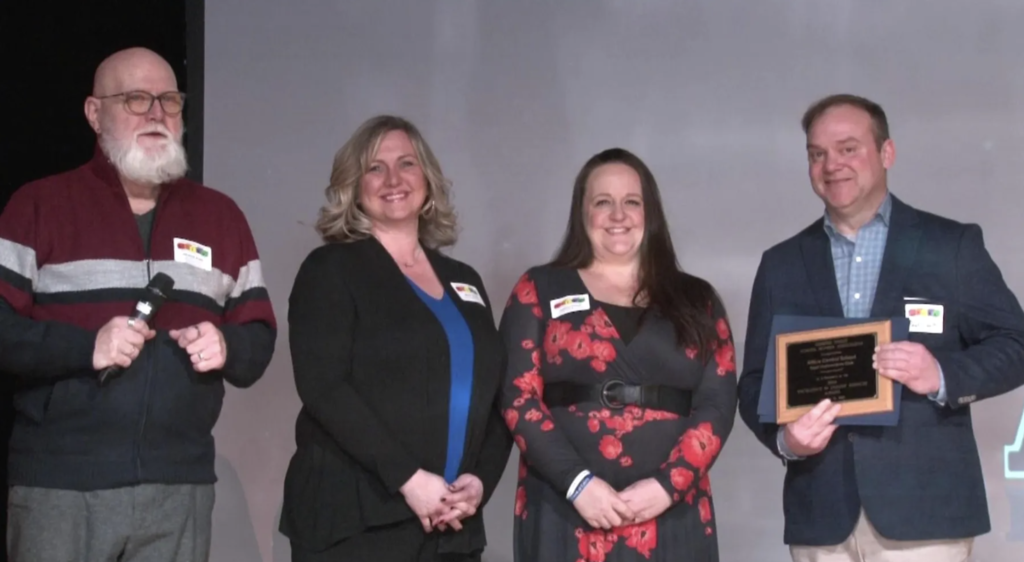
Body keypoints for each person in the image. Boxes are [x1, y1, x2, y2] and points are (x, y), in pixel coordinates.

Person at [0, 47, 277, 561]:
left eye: (169, 100)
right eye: (135, 99)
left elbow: (258, 339)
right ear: (94, 113)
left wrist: (227, 345)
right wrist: (87, 348)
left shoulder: (220, 216)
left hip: (179, 486)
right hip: (61, 485)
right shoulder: (38, 206)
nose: (156, 113)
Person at [737, 93, 1024, 562]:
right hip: (821, 518)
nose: (832, 165)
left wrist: (942, 375)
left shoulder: (951, 246)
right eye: (817, 154)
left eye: (848, 149)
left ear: (886, 152)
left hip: (926, 516)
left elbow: (1016, 344)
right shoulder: (781, 264)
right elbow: (754, 383)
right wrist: (785, 440)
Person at [279, 115, 513, 562]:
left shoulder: (465, 280)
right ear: (354, 185)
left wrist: (480, 480)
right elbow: (323, 387)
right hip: (356, 522)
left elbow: (495, 394)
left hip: (452, 526)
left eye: (406, 163)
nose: (393, 179)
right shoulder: (330, 270)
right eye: (375, 167)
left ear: (427, 177)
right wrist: (409, 479)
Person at [499, 148, 738, 562]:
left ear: (650, 212)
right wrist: (577, 484)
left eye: (631, 202)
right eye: (602, 202)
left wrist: (668, 486)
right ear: (582, 212)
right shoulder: (538, 287)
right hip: (565, 505)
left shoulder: (698, 299)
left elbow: (718, 403)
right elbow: (516, 396)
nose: (618, 215)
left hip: (671, 509)